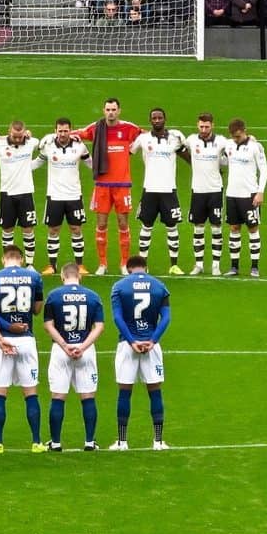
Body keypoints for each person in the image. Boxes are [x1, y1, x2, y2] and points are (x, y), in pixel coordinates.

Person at [0, 245, 44, 453]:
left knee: (0, 393)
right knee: (31, 393)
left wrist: (0, 336)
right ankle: (36, 442)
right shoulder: (34, 277)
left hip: (4, 340)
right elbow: (36, 310)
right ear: (22, 258)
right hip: (26, 339)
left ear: (3, 259)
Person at [73, 98, 143, 276]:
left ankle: (124, 263)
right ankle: (102, 264)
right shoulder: (96, 128)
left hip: (122, 184)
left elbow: (147, 135)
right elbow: (75, 134)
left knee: (123, 223)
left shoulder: (128, 128)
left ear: (119, 111)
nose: (111, 112)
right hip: (102, 184)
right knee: (101, 224)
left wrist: (133, 149)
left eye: (113, 109)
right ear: (103, 111)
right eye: (108, 109)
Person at [109, 255, 171, 451]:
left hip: (128, 346)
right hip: (151, 345)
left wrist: (131, 340)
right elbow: (166, 317)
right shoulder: (159, 286)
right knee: (155, 391)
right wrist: (152, 340)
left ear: (128, 269)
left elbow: (117, 318)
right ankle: (158, 441)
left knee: (124, 392)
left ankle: (122, 441)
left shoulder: (119, 287)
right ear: (147, 267)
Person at [42, 262, 105, 451]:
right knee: (87, 396)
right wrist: (83, 346)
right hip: (85, 351)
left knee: (58, 396)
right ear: (80, 276)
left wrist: (65, 345)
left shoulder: (54, 296)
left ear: (62, 277)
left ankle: (55, 442)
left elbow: (48, 325)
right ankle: (89, 442)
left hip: (61, 350)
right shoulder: (93, 296)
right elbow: (99, 326)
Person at [130, 108, 188, 275]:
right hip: (150, 189)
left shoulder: (175, 138)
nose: (157, 120)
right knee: (146, 227)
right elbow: (126, 152)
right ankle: (142, 266)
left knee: (172, 227)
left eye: (159, 117)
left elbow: (188, 156)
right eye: (154, 118)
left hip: (169, 190)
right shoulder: (143, 138)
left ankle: (174, 265)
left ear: (165, 119)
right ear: (150, 121)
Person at [35, 117, 92, 275]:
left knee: (76, 229)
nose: (63, 133)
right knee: (53, 230)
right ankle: (51, 266)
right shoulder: (48, 146)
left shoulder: (80, 146)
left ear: (70, 130)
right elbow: (38, 162)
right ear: (55, 131)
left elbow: (90, 163)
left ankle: (80, 265)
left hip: (74, 195)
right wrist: (22, 168)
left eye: (66, 130)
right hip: (54, 196)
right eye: (60, 130)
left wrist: (102, 174)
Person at [0, 120, 40, 268]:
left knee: (28, 229)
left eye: (20, 136)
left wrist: (29, 136)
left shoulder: (31, 142)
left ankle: (29, 264)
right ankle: (9, 263)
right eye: (15, 136)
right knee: (7, 230)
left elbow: (40, 142)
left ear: (24, 133)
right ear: (9, 132)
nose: (17, 139)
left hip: (26, 193)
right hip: (7, 194)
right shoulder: (0, 145)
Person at [182, 113, 230, 276]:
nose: (203, 129)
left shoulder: (221, 141)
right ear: (197, 125)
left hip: (215, 190)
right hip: (198, 191)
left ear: (212, 126)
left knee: (216, 227)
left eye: (207, 127)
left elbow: (234, 146)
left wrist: (250, 139)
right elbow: (176, 144)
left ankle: (216, 265)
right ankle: (199, 264)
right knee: (198, 227)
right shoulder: (191, 140)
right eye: (201, 126)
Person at [223, 118, 267, 277]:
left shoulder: (255, 147)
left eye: (238, 136)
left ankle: (254, 267)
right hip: (232, 194)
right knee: (234, 228)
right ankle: (234, 267)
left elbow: (264, 170)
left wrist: (260, 191)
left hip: (250, 194)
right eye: (233, 136)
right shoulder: (228, 145)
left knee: (252, 228)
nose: (236, 139)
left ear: (244, 131)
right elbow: (222, 160)